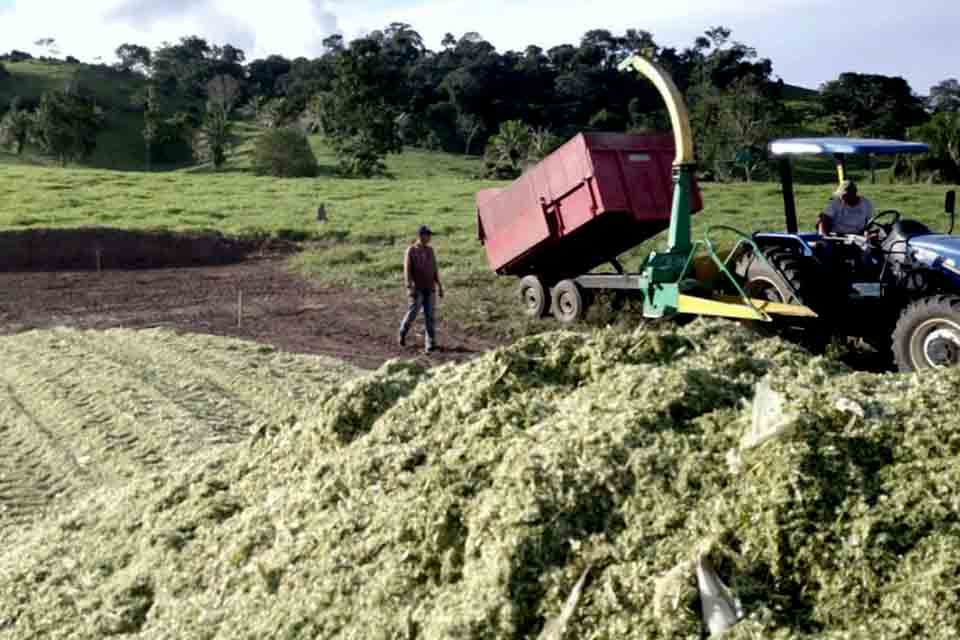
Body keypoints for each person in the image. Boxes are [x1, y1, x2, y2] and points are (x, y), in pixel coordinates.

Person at [399, 225, 444, 352]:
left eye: (430, 235)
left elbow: (434, 269)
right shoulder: (411, 251)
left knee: (430, 316)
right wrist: (410, 286)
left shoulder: (430, 250)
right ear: (420, 236)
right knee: (413, 313)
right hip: (416, 288)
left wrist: (439, 285)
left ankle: (430, 343)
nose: (429, 238)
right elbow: (407, 271)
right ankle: (403, 331)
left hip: (430, 287)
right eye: (427, 235)